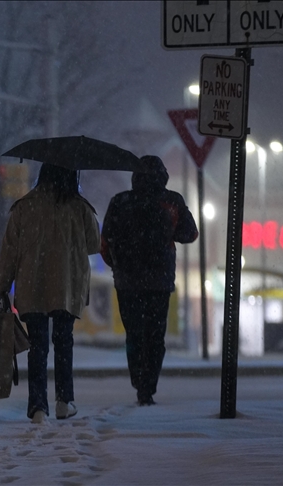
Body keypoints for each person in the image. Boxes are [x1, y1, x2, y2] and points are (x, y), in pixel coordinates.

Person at [0, 163, 101, 424]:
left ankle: (38, 406)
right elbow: (94, 244)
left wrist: (3, 284)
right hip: (67, 284)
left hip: (33, 284)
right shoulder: (80, 207)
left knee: (37, 346)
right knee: (64, 342)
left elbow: (9, 250)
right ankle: (64, 401)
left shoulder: (23, 207)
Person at [100, 155, 198, 406]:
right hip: (159, 281)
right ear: (163, 176)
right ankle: (148, 386)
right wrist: (167, 231)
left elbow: (105, 241)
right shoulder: (171, 201)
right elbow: (191, 233)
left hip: (127, 281)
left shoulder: (120, 201)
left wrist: (118, 265)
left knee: (133, 334)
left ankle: (138, 378)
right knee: (155, 336)